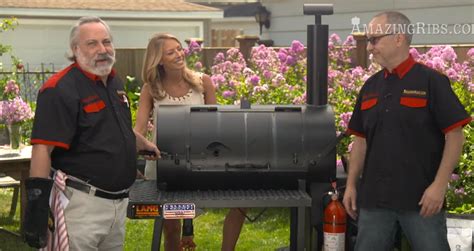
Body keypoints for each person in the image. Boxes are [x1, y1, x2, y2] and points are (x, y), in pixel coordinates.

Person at [24, 16, 160, 250]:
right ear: (75, 49)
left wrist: (143, 144)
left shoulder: (113, 81)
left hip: (117, 205)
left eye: (106, 42)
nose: (102, 49)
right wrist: (38, 211)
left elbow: (116, 128)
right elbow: (42, 149)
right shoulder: (59, 89)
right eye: (92, 43)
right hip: (80, 207)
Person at [342, 11, 471, 251]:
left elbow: (455, 136)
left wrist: (439, 186)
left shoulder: (432, 82)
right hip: (374, 202)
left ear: (398, 38)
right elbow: (360, 141)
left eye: (374, 39)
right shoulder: (370, 86)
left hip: (422, 201)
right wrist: (351, 185)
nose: (370, 47)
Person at [134, 33, 246, 251]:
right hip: (165, 167)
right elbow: (138, 130)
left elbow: (217, 125)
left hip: (202, 164)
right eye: (171, 52)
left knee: (242, 202)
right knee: (171, 228)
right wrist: (130, 159)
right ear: (159, 60)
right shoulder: (151, 89)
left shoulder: (203, 82)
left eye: (178, 48)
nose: (179, 54)